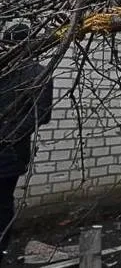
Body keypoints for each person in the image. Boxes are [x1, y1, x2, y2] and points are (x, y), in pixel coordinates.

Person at [0, 20, 53, 268]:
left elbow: (40, 114)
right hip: (12, 152)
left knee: (2, 202)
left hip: (9, 153)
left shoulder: (30, 72)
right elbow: (41, 115)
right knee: (3, 202)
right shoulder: (36, 71)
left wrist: (7, 136)